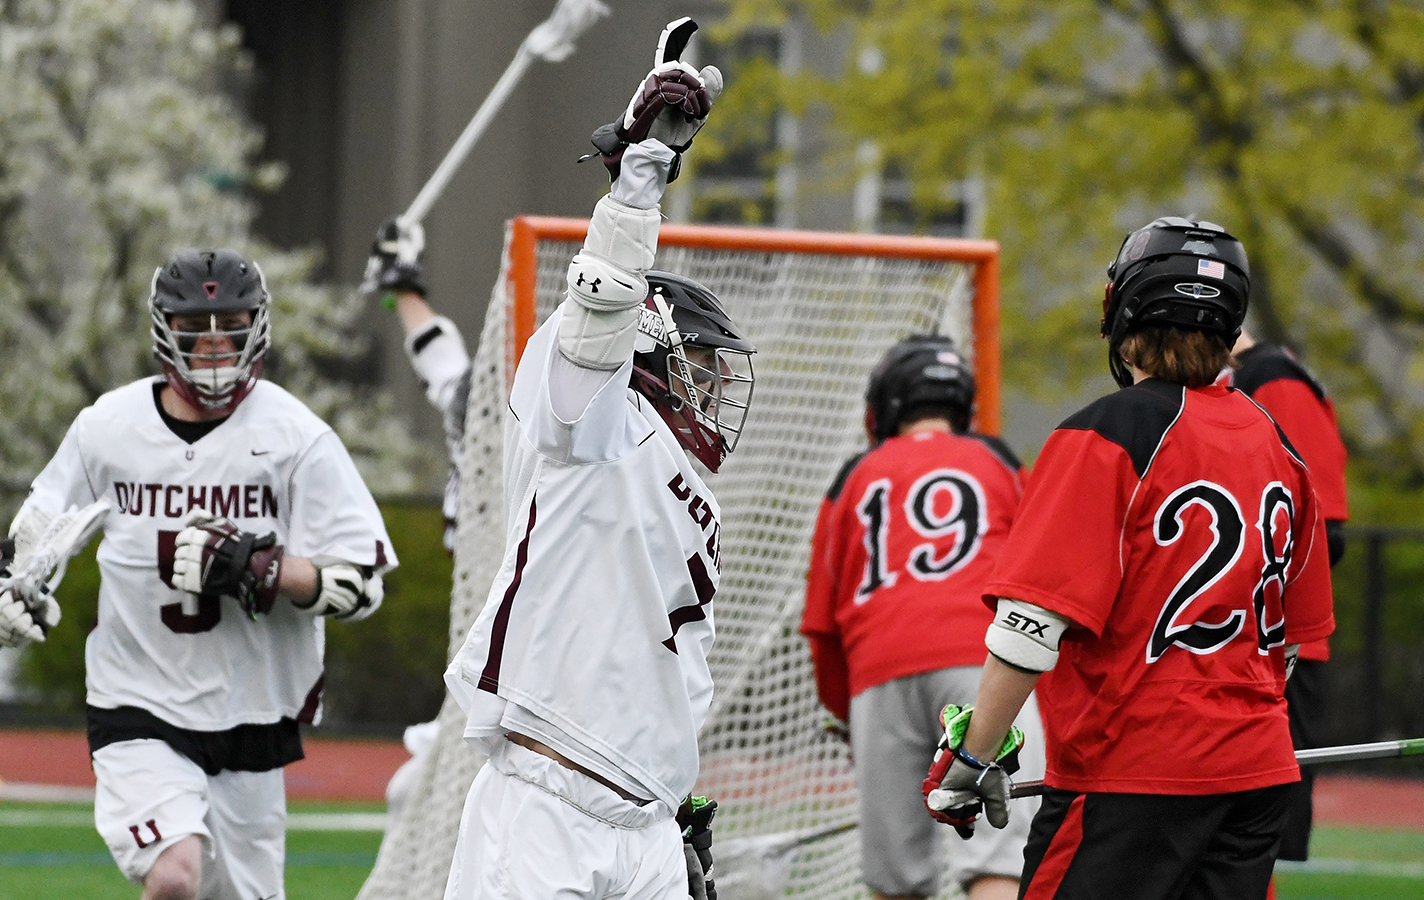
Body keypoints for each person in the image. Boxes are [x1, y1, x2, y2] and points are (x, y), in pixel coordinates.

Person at [0, 248, 398, 900]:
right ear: (167, 330)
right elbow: (36, 539)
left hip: (252, 714)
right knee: (174, 875)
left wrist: (265, 569)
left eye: (233, 327)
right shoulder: (108, 427)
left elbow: (362, 585)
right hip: (138, 703)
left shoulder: (294, 436)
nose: (217, 346)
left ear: (259, 327)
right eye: (198, 330)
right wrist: (8, 587)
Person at [921, 217, 1335, 899]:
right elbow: (1292, 641)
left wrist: (972, 756)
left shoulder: (1107, 431)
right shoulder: (1280, 446)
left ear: (1124, 310)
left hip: (1132, 770)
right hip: (1258, 774)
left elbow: (1030, 627)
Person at [440, 20, 745, 900]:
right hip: (546, 801)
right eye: (707, 369)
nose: (718, 391)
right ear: (658, 354)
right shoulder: (594, 419)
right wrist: (638, 185)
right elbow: (597, 316)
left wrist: (674, 802)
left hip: (646, 819)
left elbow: (680, 662)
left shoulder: (700, 496)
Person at [800, 335, 1045, 900]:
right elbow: (1037, 580)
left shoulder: (854, 476)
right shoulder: (998, 459)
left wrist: (846, 713)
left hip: (878, 672)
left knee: (896, 880)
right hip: (984, 666)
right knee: (995, 861)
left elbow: (822, 625)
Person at [1223, 330, 1349, 878]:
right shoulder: (1232, 386)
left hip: (1273, 649)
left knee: (1249, 840)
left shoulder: (1273, 378)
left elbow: (1325, 527)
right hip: (1231, 647)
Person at [362, 218, 471, 553]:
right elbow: (438, 353)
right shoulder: (482, 402)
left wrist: (400, 282)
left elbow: (440, 358)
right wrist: (401, 281)